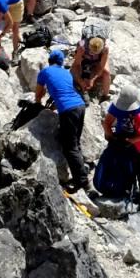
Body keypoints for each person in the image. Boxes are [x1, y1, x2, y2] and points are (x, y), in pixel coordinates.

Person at [35, 49, 88, 190]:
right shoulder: (66, 72)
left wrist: (38, 104)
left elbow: (39, 92)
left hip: (68, 109)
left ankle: (82, 181)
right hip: (80, 106)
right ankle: (82, 168)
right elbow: (62, 89)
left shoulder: (45, 72)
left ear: (49, 60)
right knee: (75, 142)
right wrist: (53, 105)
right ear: (61, 62)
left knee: (69, 148)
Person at [102, 85, 140, 212]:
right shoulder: (116, 105)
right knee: (126, 176)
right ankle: (127, 206)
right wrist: (112, 138)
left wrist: (134, 141)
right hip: (123, 142)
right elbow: (107, 122)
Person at [72, 27, 112, 100]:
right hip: (84, 58)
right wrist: (81, 80)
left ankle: (105, 96)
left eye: (95, 52)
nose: (92, 53)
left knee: (106, 73)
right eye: (91, 51)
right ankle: (81, 87)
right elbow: (76, 65)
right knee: (76, 72)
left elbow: (101, 67)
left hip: (97, 61)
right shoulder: (82, 46)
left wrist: (93, 79)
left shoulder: (105, 48)